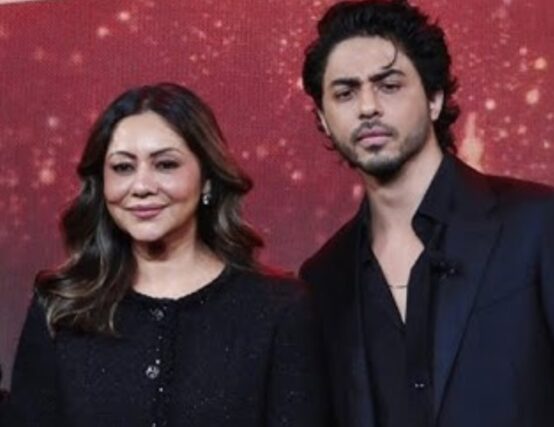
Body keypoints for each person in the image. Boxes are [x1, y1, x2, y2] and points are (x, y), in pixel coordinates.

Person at [299, 1, 554, 426]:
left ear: (435, 98)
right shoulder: (323, 278)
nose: (367, 107)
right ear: (323, 118)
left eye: (389, 85)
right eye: (345, 93)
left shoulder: (540, 225)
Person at [5, 83, 328, 426]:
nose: (142, 186)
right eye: (123, 167)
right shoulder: (61, 306)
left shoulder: (279, 309)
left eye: (165, 164)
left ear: (207, 180)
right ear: (102, 184)